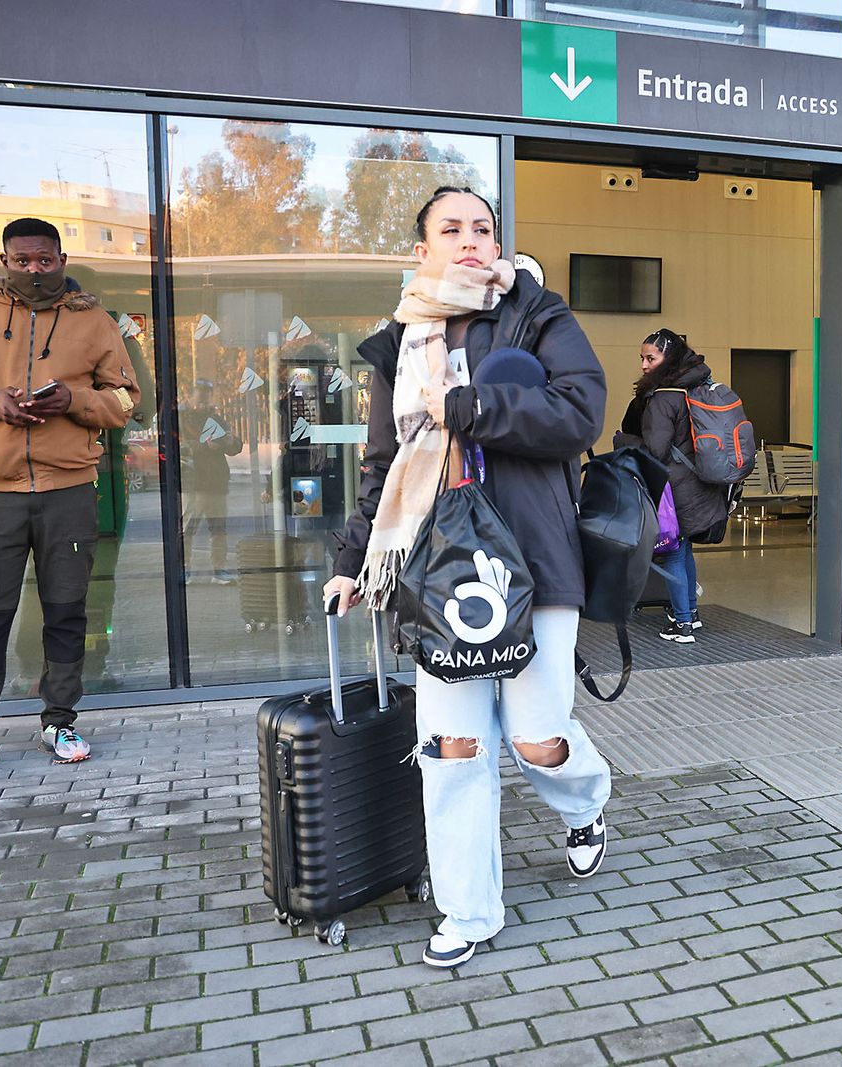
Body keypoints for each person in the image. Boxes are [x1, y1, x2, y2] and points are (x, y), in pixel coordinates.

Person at [323, 186, 611, 969]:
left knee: (537, 739)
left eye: (482, 228)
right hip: (436, 568)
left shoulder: (537, 313)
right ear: (423, 250)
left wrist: (471, 406)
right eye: (451, 229)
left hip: (533, 561)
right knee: (453, 747)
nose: (471, 240)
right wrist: (353, 561)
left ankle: (586, 802)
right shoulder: (398, 341)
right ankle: (469, 910)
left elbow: (580, 411)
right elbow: (382, 464)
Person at [0, 217, 140, 783]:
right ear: (5, 262)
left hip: (69, 489)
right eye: (22, 261)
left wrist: (75, 400)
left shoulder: (95, 322)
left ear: (62, 259)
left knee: (66, 610)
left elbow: (126, 399)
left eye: (44, 260)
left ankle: (60, 721)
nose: (34, 270)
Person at [613, 329, 727, 644]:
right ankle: (690, 612)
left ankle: (683, 624)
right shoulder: (696, 387)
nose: (644, 365)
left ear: (669, 357)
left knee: (673, 551)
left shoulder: (664, 396)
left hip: (674, 486)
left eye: (651, 358)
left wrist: (624, 441)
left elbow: (655, 450)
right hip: (697, 482)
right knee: (685, 548)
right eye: (642, 358)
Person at [179, 377, 241, 584]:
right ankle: (184, 568)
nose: (203, 399)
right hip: (193, 482)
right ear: (190, 395)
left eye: (206, 395)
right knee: (187, 529)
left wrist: (231, 442)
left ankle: (219, 569)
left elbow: (234, 445)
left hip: (216, 483)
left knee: (219, 529)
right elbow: (180, 447)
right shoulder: (181, 418)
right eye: (199, 394)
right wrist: (205, 446)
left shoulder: (216, 419)